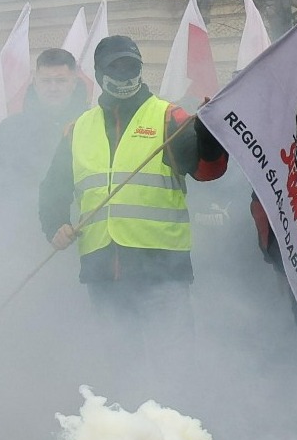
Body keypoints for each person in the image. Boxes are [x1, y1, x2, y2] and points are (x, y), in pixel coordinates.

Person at [36, 34, 229, 392]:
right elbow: (52, 191)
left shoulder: (170, 116)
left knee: (174, 365)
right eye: (116, 68)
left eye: (131, 67)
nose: (124, 75)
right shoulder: (78, 128)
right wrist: (55, 225)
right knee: (121, 369)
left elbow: (208, 170)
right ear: (98, 74)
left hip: (162, 271)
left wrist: (209, 135)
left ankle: (180, 437)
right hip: (102, 271)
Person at [0, 48, 87, 212]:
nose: (53, 88)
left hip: (75, 229)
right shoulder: (10, 129)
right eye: (46, 81)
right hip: (19, 229)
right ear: (35, 82)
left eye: (61, 81)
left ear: (73, 83)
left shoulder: (90, 127)